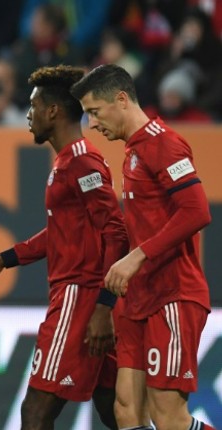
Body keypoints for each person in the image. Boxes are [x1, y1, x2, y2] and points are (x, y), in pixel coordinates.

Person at [0, 65, 128, 430]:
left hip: (79, 298)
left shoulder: (82, 161)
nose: (28, 114)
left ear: (53, 110)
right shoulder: (68, 161)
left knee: (36, 410)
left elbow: (116, 232)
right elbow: (60, 233)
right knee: (115, 411)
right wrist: (2, 260)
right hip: (85, 298)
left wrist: (103, 306)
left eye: (34, 105)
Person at [70, 64, 214, 430]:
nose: (92, 125)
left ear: (121, 99)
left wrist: (137, 256)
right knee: (126, 411)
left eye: (94, 112)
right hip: (138, 300)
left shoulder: (163, 143)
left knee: (170, 419)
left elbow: (197, 211)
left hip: (173, 295)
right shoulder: (133, 149)